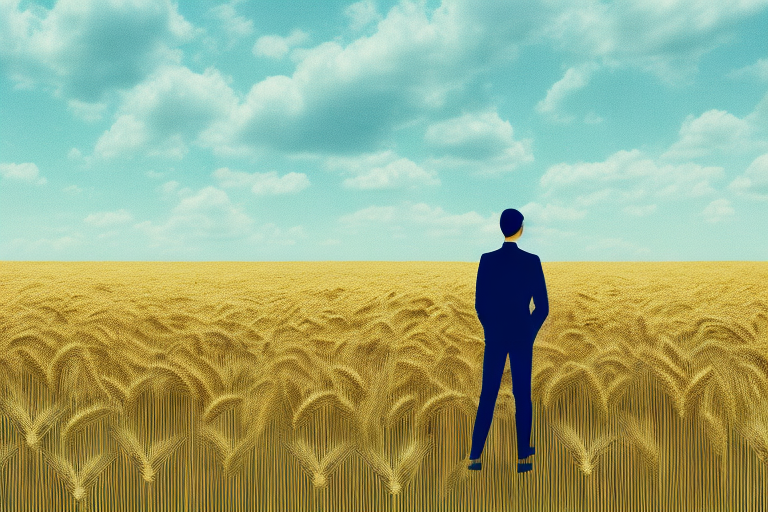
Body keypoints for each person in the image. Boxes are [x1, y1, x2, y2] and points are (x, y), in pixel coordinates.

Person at [467, 208, 549, 474]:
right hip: (521, 336)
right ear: (521, 228)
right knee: (522, 394)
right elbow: (543, 307)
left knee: (488, 393)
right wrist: (529, 331)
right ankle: (523, 455)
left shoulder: (487, 260)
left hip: (496, 335)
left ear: (502, 228)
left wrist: (491, 328)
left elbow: (480, 304)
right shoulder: (532, 261)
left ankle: (475, 455)